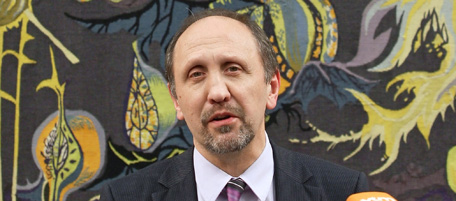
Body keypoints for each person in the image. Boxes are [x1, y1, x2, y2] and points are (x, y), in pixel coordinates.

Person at [100, 8, 368, 201]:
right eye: (196, 74)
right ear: (176, 100)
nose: (217, 92)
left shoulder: (345, 193)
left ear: (272, 87)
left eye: (233, 68)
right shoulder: (122, 197)